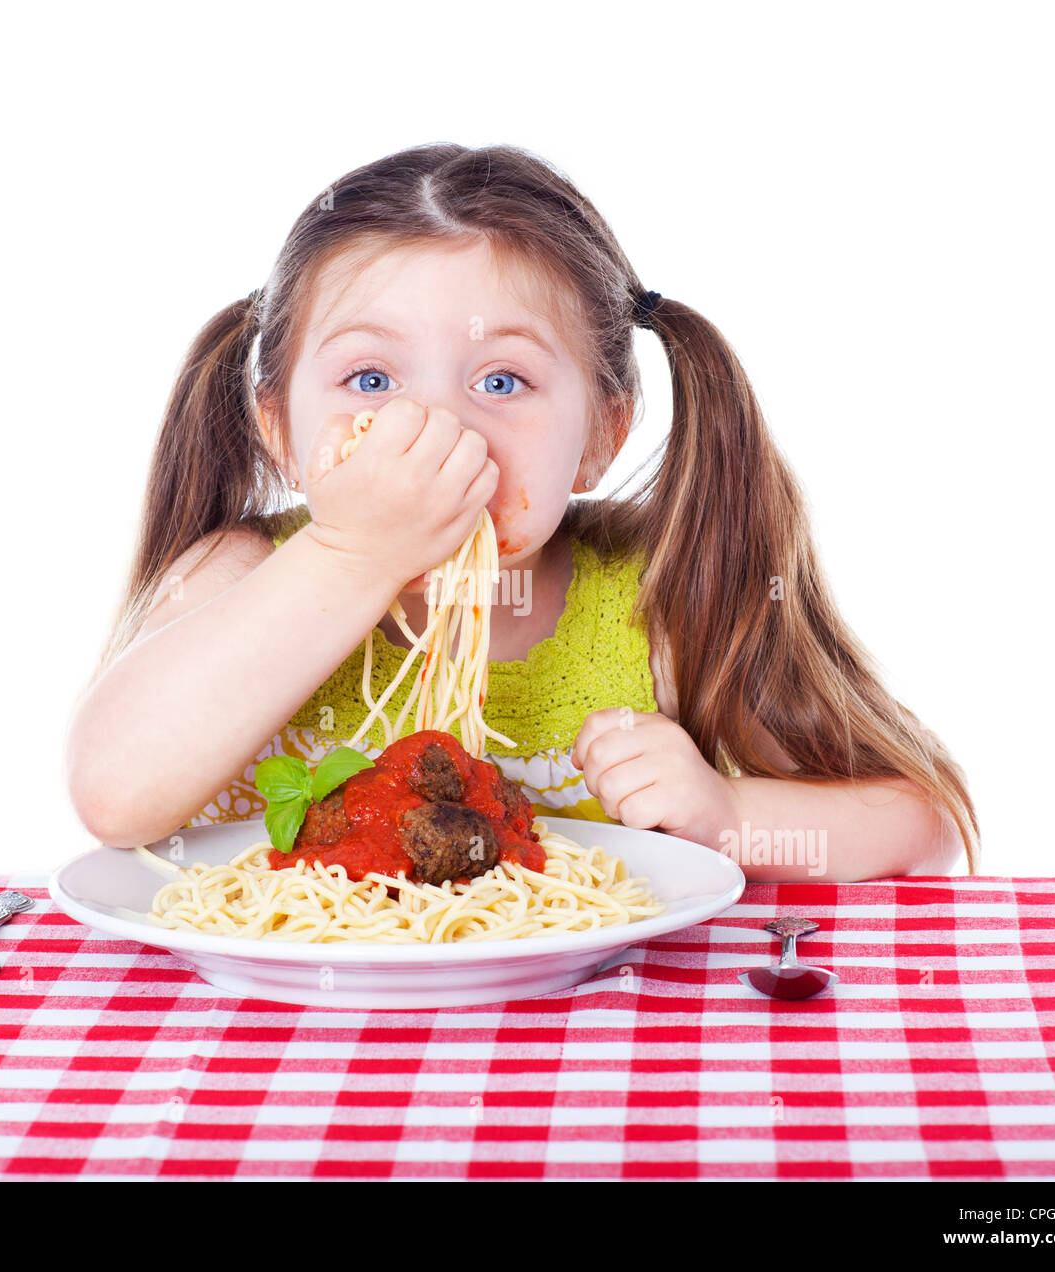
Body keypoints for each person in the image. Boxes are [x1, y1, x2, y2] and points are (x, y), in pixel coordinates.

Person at [65, 142, 978, 883]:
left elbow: (917, 820)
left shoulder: (656, 596)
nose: (436, 428)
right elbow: (112, 795)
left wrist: (733, 817)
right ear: (277, 428)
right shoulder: (242, 572)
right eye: (371, 380)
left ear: (601, 434)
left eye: (503, 381)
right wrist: (349, 555)